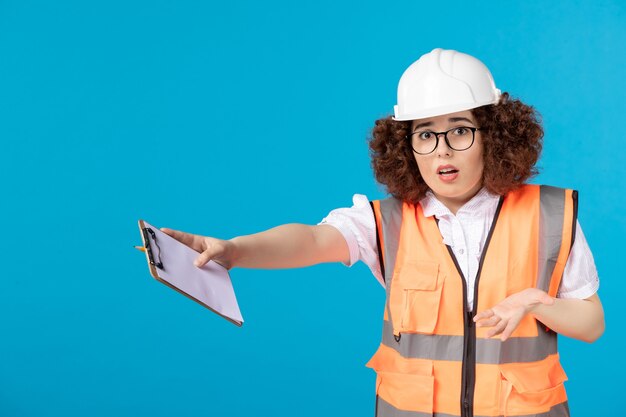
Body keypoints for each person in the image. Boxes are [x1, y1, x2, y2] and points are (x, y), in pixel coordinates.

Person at [161, 48, 604, 417]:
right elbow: (312, 240)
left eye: (461, 131)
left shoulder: (550, 213)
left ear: (493, 135)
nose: (442, 150)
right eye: (425, 135)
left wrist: (535, 301)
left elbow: (591, 324)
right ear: (406, 146)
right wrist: (235, 250)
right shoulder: (383, 222)